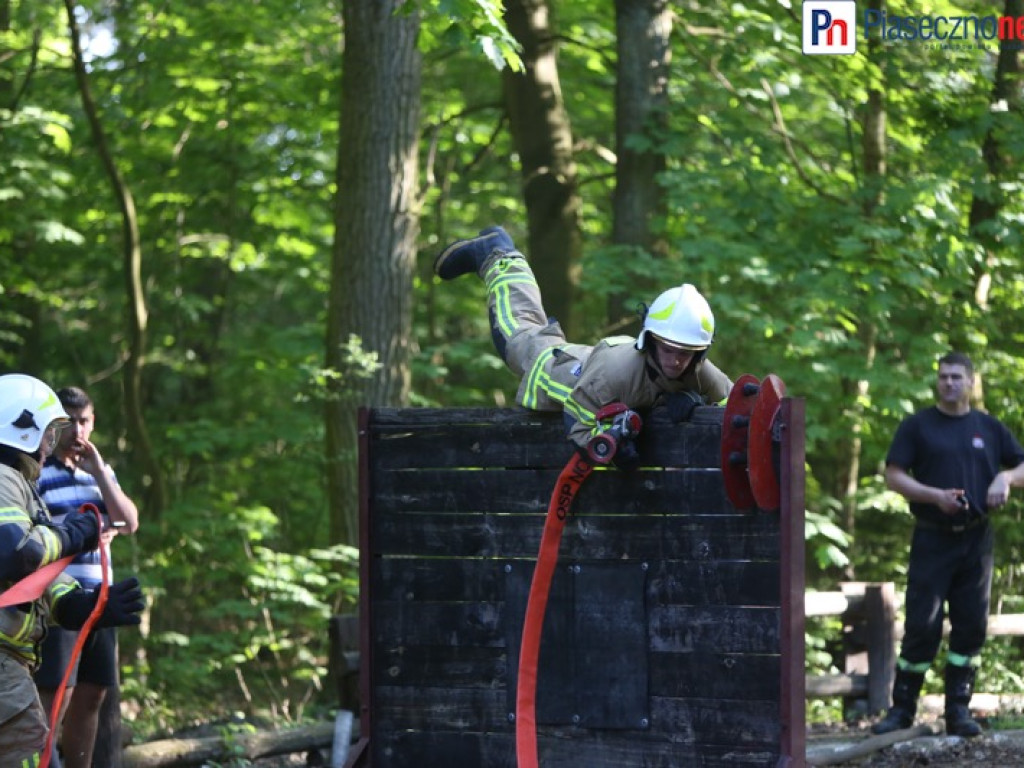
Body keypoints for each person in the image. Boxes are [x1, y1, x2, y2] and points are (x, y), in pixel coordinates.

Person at [434, 226, 732, 466]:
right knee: (518, 331)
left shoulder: (701, 372)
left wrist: (697, 405)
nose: (676, 361)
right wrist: (611, 449)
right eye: (668, 349)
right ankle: (498, 255)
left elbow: (734, 405)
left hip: (594, 360)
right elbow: (578, 424)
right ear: (650, 342)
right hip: (553, 367)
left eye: (686, 353)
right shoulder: (616, 374)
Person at [871, 352, 1024, 737]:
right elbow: (893, 476)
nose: (949, 383)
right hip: (932, 536)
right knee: (922, 624)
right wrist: (934, 496)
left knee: (971, 625)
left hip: (977, 539)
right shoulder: (918, 426)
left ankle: (958, 710)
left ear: (971, 381)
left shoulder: (989, 428)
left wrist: (1005, 479)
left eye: (956, 377)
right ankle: (902, 711)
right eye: (943, 377)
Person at [0, 373, 144, 766]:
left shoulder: (18, 483)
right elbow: (14, 553)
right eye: (49, 431)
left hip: (13, 653)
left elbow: (34, 576)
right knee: (27, 742)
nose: (52, 442)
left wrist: (87, 605)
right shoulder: (3, 479)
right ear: (22, 427)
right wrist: (71, 536)